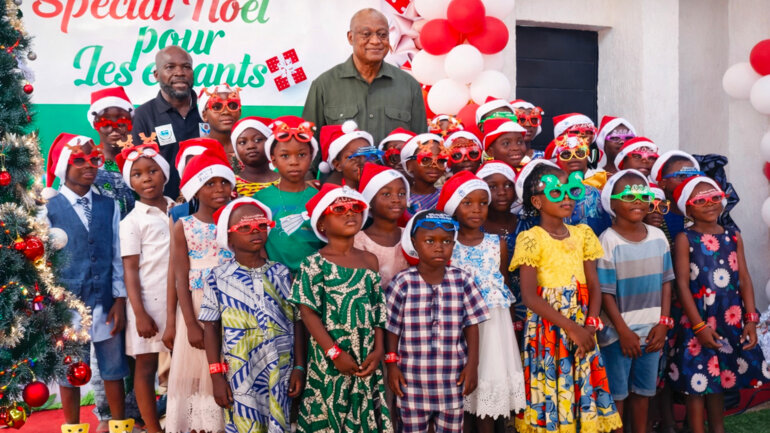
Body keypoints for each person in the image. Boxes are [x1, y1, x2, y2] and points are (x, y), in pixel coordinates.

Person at [511, 162, 622, 433]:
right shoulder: (530, 239)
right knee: (554, 388)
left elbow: (594, 286)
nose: (568, 198)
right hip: (550, 331)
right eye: (557, 192)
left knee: (582, 386)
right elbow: (528, 296)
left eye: (571, 190)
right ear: (537, 201)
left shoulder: (583, 234)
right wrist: (571, 328)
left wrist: (589, 325)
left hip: (584, 326)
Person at [42, 134, 132, 433]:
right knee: (71, 370)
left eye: (93, 159)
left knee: (114, 367)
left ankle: (119, 425)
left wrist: (119, 299)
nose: (89, 166)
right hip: (67, 304)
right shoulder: (47, 208)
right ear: (63, 167)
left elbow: (117, 254)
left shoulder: (109, 206)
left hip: (105, 301)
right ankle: (73, 426)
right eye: (78, 161)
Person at [667, 176, 770, 433]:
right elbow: (681, 284)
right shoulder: (684, 239)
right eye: (701, 200)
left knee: (720, 381)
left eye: (715, 197)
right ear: (687, 208)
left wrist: (750, 319)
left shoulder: (733, 237)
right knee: (697, 382)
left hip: (729, 317)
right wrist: (699, 326)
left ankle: (718, 428)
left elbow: (744, 279)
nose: (710, 204)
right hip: (696, 320)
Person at [291, 184, 393, 432]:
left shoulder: (369, 260)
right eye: (339, 209)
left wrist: (379, 350)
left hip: (366, 359)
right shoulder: (313, 264)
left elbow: (378, 310)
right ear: (322, 223)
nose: (350, 213)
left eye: (355, 208)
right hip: (330, 361)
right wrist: (335, 354)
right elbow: (307, 313)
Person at [200, 198, 306, 432]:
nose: (254, 232)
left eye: (261, 225)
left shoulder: (281, 272)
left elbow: (297, 321)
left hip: (281, 368)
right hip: (241, 371)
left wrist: (299, 367)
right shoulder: (218, 277)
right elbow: (211, 328)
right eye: (245, 228)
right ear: (228, 237)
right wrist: (216, 377)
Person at [436, 173, 526, 431]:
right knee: (459, 392)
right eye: (468, 203)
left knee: (487, 389)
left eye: (482, 203)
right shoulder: (447, 245)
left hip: (493, 326)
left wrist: (511, 323)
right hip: (457, 325)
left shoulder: (496, 244)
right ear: (454, 206)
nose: (477, 209)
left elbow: (505, 282)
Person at [385, 210, 489, 433]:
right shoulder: (403, 282)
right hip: (411, 381)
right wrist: (392, 364)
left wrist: (472, 365)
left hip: (452, 380)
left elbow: (472, 324)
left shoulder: (462, 280)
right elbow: (392, 328)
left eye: (447, 241)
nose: (439, 247)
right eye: (430, 241)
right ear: (414, 242)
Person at [597, 170, 675, 433]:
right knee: (616, 395)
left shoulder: (658, 237)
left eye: (643, 196)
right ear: (613, 203)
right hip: (619, 335)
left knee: (643, 393)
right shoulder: (607, 241)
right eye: (629, 196)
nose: (638, 201)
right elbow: (606, 293)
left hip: (652, 332)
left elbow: (667, 281)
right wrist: (622, 331)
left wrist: (663, 323)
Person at [166, 150, 235, 433]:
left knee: (228, 367)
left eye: (224, 182)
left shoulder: (236, 220)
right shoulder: (185, 226)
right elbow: (180, 277)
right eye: (210, 183)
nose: (219, 189)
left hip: (233, 307)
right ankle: (201, 426)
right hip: (197, 305)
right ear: (195, 188)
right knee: (198, 373)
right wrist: (189, 323)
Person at [302, 8, 426, 153]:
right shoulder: (324, 85)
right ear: (350, 37)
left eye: (382, 34)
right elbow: (308, 146)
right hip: (340, 176)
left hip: (394, 175)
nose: (375, 41)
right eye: (366, 34)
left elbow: (420, 146)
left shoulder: (409, 85)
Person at [116, 142, 174, 433]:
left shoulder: (179, 209)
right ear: (131, 182)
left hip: (180, 303)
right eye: (138, 174)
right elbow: (129, 269)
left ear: (165, 174)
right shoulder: (132, 221)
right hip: (148, 305)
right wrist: (139, 313)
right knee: (146, 366)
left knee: (183, 363)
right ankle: (152, 427)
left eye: (153, 171)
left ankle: (182, 419)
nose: (147, 178)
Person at [132, 46, 203, 199]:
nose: (180, 73)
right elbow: (138, 169)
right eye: (170, 67)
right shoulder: (142, 116)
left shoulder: (209, 110)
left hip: (208, 209)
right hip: (162, 209)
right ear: (157, 75)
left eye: (186, 67)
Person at [254, 115, 323, 275]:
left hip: (312, 280)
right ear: (274, 160)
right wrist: (271, 273)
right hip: (274, 279)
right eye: (285, 156)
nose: (294, 162)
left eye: (301, 155)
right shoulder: (260, 199)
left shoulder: (320, 198)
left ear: (311, 157)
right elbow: (257, 243)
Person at [355, 163, 410, 288]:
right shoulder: (358, 242)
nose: (396, 199)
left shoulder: (411, 236)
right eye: (386, 194)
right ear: (370, 201)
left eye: (401, 194)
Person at [545, 134, 611, 235]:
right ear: (558, 158)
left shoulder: (604, 179)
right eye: (566, 154)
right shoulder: (551, 187)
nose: (573, 158)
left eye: (580, 153)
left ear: (587, 155)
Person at [89, 86, 136, 219]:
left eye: (121, 123)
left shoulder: (140, 161)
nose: (113, 129)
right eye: (106, 123)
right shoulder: (86, 164)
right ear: (95, 124)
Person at [650, 150, 703, 242]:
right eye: (682, 176)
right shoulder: (653, 211)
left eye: (693, 176)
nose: (688, 181)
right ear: (663, 183)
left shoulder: (701, 210)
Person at [319, 120, 378, 188]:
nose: (364, 162)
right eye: (354, 157)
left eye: (368, 155)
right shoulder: (334, 196)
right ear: (338, 165)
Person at [230, 116, 280, 196]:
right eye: (242, 142)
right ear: (235, 149)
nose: (250, 146)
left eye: (258, 140)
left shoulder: (285, 181)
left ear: (269, 144)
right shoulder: (231, 183)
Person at [400, 133, 446, 213]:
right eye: (425, 160)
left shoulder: (447, 196)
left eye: (440, 160)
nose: (434, 165)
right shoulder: (401, 200)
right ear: (409, 165)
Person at [198, 84, 242, 162]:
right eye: (216, 107)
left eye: (232, 106)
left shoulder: (249, 148)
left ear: (239, 112)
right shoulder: (196, 150)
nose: (226, 112)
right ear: (205, 115)